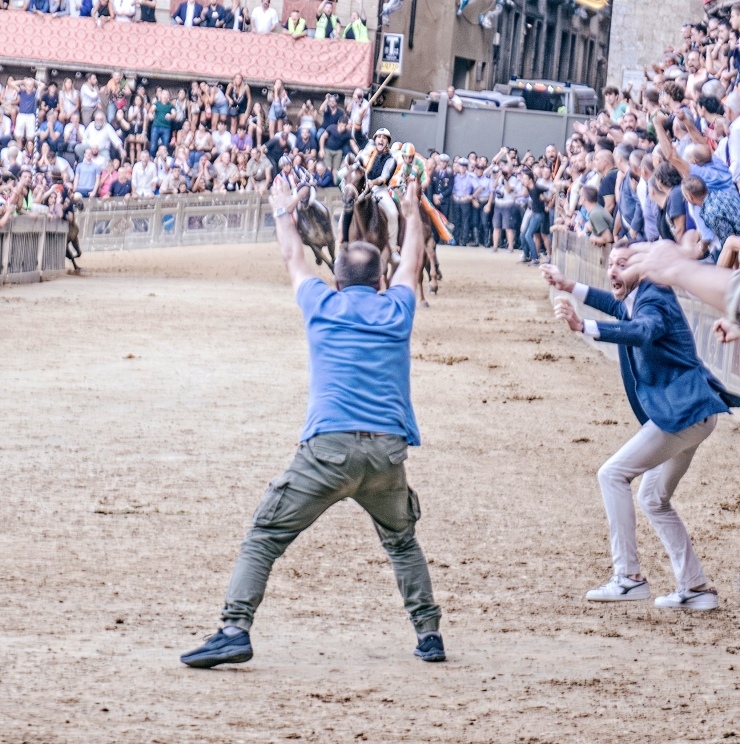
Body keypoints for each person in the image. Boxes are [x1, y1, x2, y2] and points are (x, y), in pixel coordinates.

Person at [180, 177, 445, 669]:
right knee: (402, 541)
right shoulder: (397, 309)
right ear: (380, 280)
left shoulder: (321, 305)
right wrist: (412, 214)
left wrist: (283, 209)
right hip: (386, 453)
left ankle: (235, 628)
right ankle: (429, 634)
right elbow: (411, 263)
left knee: (264, 536)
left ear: (338, 280)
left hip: (328, 450)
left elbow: (292, 256)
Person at [542, 246, 739, 610]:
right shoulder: (637, 296)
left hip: (683, 413)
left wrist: (583, 326)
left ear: (645, 271)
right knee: (653, 499)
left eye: (623, 265)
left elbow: (643, 330)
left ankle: (628, 577)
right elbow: (615, 306)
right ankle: (695, 588)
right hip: (692, 412)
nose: (612, 271)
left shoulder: (654, 297)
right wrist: (568, 285)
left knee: (612, 474)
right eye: (610, 264)